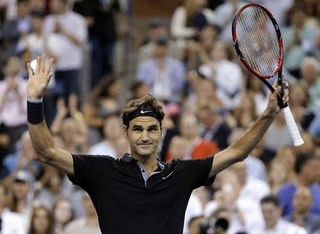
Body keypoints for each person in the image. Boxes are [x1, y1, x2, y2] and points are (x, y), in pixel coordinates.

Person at [26, 54, 289, 234]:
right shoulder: (101, 171)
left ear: (161, 132)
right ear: (126, 132)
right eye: (138, 129)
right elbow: (46, 151)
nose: (145, 136)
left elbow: (238, 151)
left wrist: (268, 114)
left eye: (152, 129)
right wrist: (35, 102)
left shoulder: (181, 173)